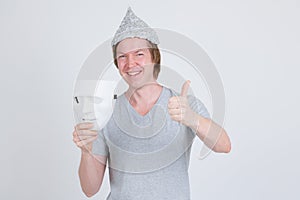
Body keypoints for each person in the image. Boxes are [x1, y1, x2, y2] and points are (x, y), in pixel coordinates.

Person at [72, 7, 231, 200]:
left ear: (154, 57)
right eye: (122, 56)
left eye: (139, 54)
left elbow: (223, 145)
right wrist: (87, 151)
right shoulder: (105, 111)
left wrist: (192, 119)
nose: (130, 64)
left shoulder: (183, 104)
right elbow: (90, 189)